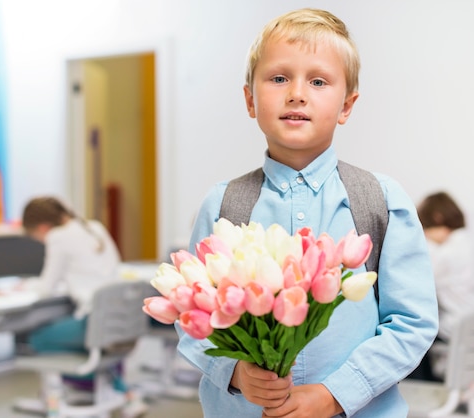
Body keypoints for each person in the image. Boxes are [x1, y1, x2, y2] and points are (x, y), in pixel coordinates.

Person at [176, 8, 438, 418]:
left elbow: (412, 323)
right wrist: (234, 372)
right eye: (279, 78)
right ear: (250, 99)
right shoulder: (223, 205)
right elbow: (191, 319)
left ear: (346, 106)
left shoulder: (381, 200)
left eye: (318, 81)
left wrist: (335, 393)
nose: (297, 93)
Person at [19, 196, 147, 417]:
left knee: (36, 339)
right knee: (81, 340)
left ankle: (101, 388)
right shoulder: (94, 227)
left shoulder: (58, 237)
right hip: (118, 317)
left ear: (42, 227)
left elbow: (45, 288)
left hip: (94, 320)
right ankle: (113, 389)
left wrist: (24, 287)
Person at [416, 191, 474, 379]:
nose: (424, 233)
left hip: (458, 328)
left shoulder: (446, 253)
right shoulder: (469, 241)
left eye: (425, 226)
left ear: (437, 219)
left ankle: (420, 390)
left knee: (413, 334)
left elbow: (420, 276)